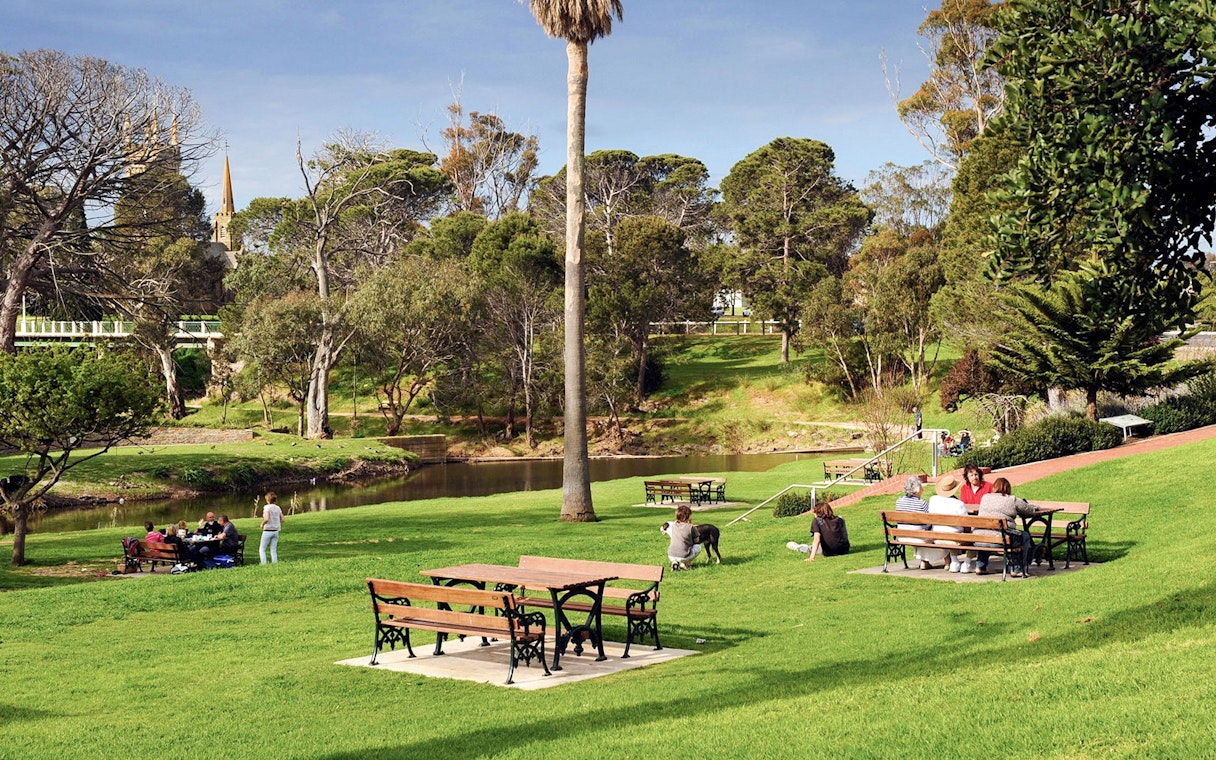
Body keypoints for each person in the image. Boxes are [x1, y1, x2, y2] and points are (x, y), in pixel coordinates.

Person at [975, 477, 1037, 577]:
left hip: (979, 539)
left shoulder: (985, 497)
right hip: (1002, 539)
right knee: (1024, 536)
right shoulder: (1012, 499)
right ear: (1008, 488)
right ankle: (1017, 568)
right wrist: (1035, 507)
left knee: (988, 533)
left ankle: (980, 566)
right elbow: (1029, 510)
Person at [925, 473, 969, 572]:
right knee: (970, 534)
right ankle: (967, 563)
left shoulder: (933, 500)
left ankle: (954, 561)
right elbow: (966, 524)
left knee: (952, 532)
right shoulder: (958, 504)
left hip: (937, 536)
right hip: (955, 538)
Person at [894, 476, 932, 569]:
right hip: (918, 536)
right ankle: (924, 561)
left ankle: (924, 561)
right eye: (921, 487)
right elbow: (930, 520)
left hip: (902, 536)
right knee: (929, 531)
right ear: (917, 489)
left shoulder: (899, 501)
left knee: (922, 530)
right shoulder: (922, 503)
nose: (923, 489)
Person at [666, 505, 702, 570]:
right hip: (683, 556)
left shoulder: (673, 525)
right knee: (698, 547)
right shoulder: (691, 527)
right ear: (687, 517)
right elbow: (696, 540)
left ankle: (675, 562)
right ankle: (685, 564)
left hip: (670, 554)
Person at [259, 491, 283, 564]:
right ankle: (274, 562)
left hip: (268, 530)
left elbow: (266, 518)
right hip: (276, 530)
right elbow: (282, 519)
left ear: (268, 500)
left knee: (262, 549)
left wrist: (262, 524)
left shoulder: (267, 507)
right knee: (273, 549)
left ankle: (264, 563)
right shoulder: (278, 508)